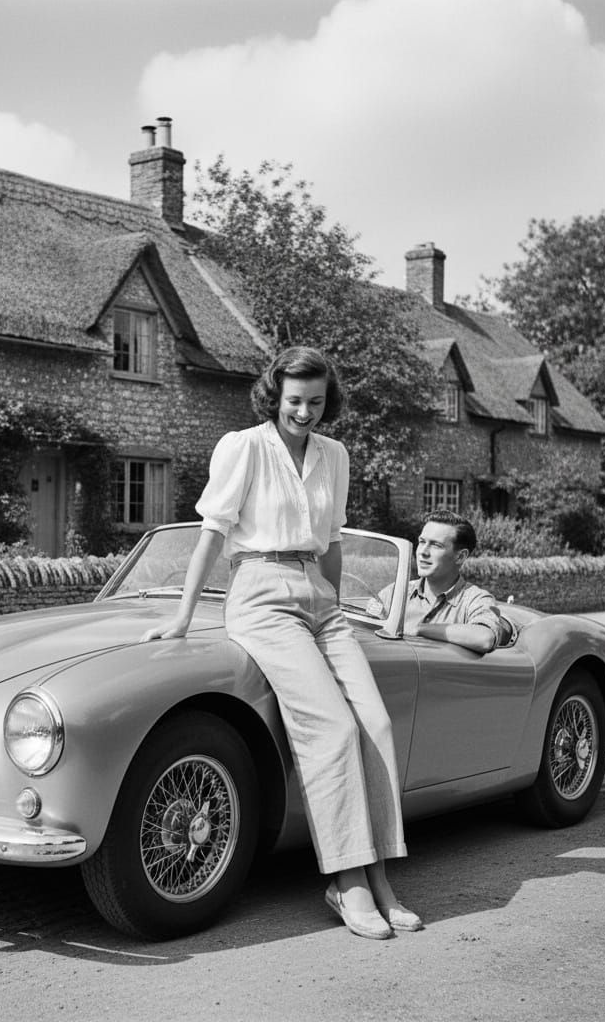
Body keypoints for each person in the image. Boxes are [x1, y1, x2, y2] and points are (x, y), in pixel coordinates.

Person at [141, 346, 421, 939]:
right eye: (294, 401)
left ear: (328, 401)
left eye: (316, 402)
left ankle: (380, 878)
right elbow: (212, 535)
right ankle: (347, 883)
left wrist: (332, 607)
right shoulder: (243, 447)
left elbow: (335, 541)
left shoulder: (335, 455)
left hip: (320, 596)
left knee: (376, 723)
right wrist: (184, 617)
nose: (304, 412)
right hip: (262, 594)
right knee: (333, 728)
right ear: (275, 395)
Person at [370, 510, 506, 653]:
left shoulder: (475, 599)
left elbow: (484, 638)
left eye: (436, 545)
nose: (423, 552)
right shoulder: (393, 593)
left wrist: (418, 629)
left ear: (460, 557)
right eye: (422, 542)